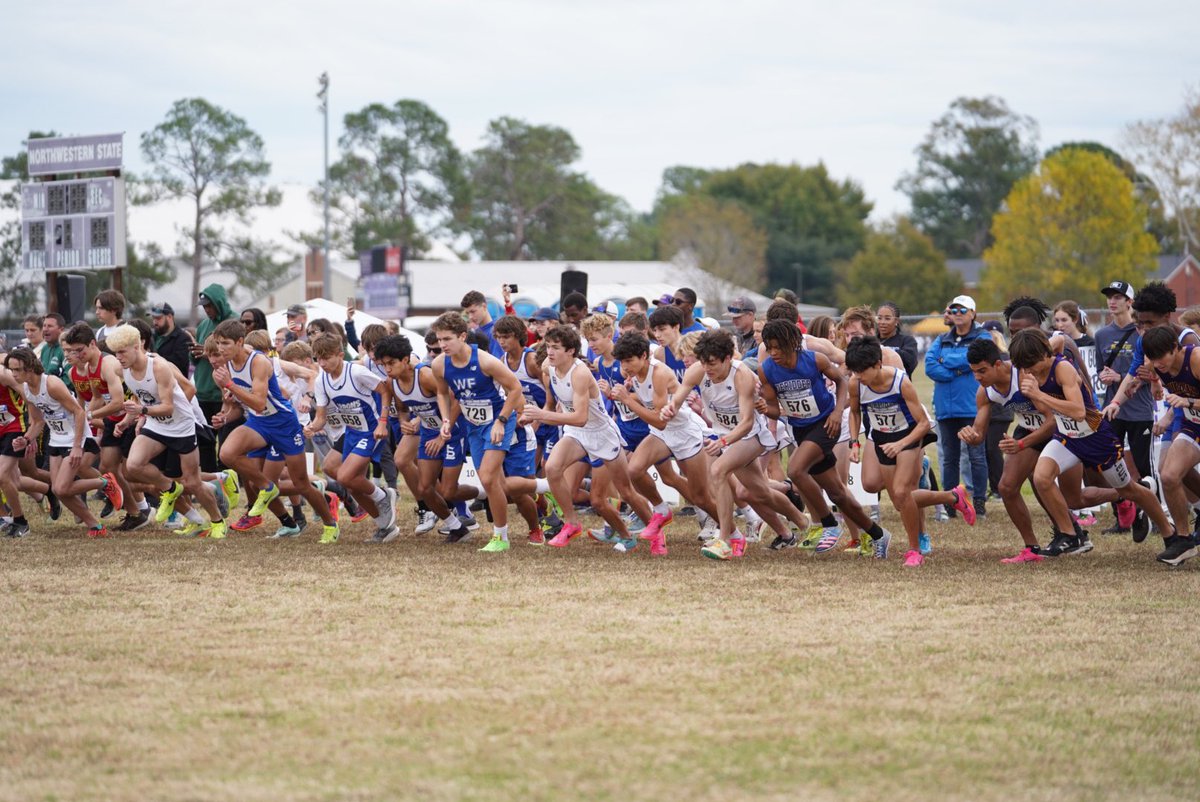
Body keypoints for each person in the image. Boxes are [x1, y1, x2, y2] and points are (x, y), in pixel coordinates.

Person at [1009, 327, 1172, 557]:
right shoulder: (1035, 363)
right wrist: (1050, 343)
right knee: (1041, 478)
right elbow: (1060, 339)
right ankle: (1070, 536)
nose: (1028, 372)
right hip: (1067, 437)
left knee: (1129, 489)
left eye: (1031, 365)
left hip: (1095, 436)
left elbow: (1078, 411)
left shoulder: (1062, 369)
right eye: (1023, 367)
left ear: (1043, 355)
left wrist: (1038, 394)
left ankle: (1170, 533)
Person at [667, 329, 811, 560]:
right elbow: (678, 397)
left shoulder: (741, 375)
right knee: (757, 491)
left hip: (750, 436)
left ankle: (726, 539)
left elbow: (746, 423)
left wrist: (723, 442)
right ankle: (803, 524)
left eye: (712, 363)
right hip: (723, 435)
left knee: (718, 470)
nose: (707, 368)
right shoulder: (697, 370)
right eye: (703, 362)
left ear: (727, 358)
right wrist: (671, 408)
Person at [756, 319, 893, 556]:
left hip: (826, 424)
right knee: (837, 492)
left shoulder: (814, 359)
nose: (774, 352)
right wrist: (764, 408)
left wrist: (838, 413)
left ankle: (829, 523)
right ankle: (879, 535)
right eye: (770, 347)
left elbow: (841, 381)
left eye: (778, 347)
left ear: (792, 343)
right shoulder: (767, 369)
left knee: (795, 470)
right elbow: (775, 410)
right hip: (801, 429)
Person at [519, 325, 653, 549]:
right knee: (551, 468)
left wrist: (542, 415)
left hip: (601, 434)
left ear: (571, 351)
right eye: (548, 346)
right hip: (577, 433)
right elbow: (552, 404)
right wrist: (532, 418)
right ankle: (572, 524)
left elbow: (580, 417)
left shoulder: (580, 374)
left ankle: (653, 532)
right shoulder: (547, 367)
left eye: (556, 348)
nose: (550, 352)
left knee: (615, 495)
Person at [846, 337, 970, 567]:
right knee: (890, 496)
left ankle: (914, 550)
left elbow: (923, 423)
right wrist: (854, 443)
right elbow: (854, 412)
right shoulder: (856, 383)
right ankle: (953, 496)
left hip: (909, 435)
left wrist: (901, 445)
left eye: (862, 371)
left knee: (902, 492)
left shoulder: (900, 382)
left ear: (877, 364)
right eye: (854, 371)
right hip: (882, 437)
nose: (858, 376)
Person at [212, 320, 339, 543]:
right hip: (258, 422)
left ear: (240, 342)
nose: (220, 350)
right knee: (227, 454)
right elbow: (239, 404)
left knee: (301, 483)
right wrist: (224, 416)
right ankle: (282, 512)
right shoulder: (223, 368)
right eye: (217, 344)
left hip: (283, 424)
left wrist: (231, 385)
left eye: (225, 343)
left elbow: (259, 402)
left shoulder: (258, 362)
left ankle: (330, 524)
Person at [105, 324, 229, 539]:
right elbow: (142, 395)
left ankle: (217, 521)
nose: (119, 357)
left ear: (137, 346)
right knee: (133, 466)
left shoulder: (159, 367)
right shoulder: (121, 369)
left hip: (181, 426)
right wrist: (128, 420)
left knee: (192, 482)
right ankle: (172, 492)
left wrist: (142, 411)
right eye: (116, 353)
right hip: (156, 424)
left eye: (122, 351)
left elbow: (168, 407)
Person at [430, 311, 528, 553]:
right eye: (439, 339)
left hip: (498, 420)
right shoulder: (439, 364)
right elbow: (442, 393)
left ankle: (500, 537)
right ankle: (543, 489)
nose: (442, 344)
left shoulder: (486, 361)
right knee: (495, 482)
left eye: (447, 339)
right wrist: (446, 419)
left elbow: (515, 388)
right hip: (473, 425)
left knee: (487, 477)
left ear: (462, 336)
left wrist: (501, 421)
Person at [6, 348, 115, 538]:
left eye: (17, 369)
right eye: (11, 369)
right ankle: (96, 526)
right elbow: (37, 421)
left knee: (62, 487)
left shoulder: (51, 384)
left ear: (30, 367)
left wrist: (77, 446)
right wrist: (26, 439)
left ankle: (105, 483)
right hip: (57, 438)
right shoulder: (26, 389)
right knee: (59, 490)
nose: (13, 374)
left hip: (75, 436)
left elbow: (79, 412)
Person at [306, 333, 397, 543]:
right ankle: (385, 526)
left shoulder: (356, 372)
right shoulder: (321, 380)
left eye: (326, 358)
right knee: (331, 468)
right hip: (351, 431)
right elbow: (321, 417)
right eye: (318, 359)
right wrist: (311, 427)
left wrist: (383, 422)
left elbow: (385, 391)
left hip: (372, 430)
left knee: (346, 477)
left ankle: (383, 495)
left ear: (340, 355)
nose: (322, 363)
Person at [924, 294, 990, 517]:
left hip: (972, 406)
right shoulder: (942, 338)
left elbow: (975, 357)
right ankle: (951, 504)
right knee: (949, 458)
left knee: (976, 456)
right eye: (954, 310)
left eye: (963, 310)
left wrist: (946, 361)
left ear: (973, 314)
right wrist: (958, 370)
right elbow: (930, 366)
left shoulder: (982, 336)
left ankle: (979, 502)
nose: (957, 314)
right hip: (946, 408)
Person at [1141, 325, 1200, 565]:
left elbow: (1185, 398)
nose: (1158, 363)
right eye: (1153, 358)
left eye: (1162, 357)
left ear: (1176, 348)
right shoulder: (1154, 363)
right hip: (1194, 425)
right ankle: (1184, 541)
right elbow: (1148, 371)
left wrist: (1189, 401)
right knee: (1169, 475)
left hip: (1193, 411)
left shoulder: (1195, 359)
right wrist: (1154, 383)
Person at [193, 285, 236, 470]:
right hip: (204, 389)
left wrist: (207, 353)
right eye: (204, 306)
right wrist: (195, 352)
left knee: (227, 443)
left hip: (228, 390)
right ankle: (212, 478)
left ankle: (230, 477)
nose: (207, 309)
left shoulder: (233, 322)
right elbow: (197, 359)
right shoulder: (203, 325)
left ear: (219, 303)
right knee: (205, 441)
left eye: (209, 305)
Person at [149, 302, 192, 377]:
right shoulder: (151, 336)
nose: (155, 322)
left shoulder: (183, 338)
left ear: (169, 317)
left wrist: (154, 359)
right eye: (153, 318)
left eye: (158, 318)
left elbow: (179, 364)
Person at [876, 302, 919, 376]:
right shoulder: (871, 341)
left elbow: (910, 362)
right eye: (879, 318)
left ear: (897, 321)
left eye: (887, 318)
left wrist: (884, 351)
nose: (882, 322)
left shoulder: (907, 341)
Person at [461, 290, 505, 357]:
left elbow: (498, 361)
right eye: (467, 313)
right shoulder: (475, 332)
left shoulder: (496, 331)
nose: (470, 317)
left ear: (484, 306)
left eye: (473, 311)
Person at [40, 313, 68, 380]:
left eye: (50, 326)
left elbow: (68, 379)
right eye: (44, 326)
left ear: (61, 330)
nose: (45, 329)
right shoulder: (45, 348)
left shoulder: (66, 349)